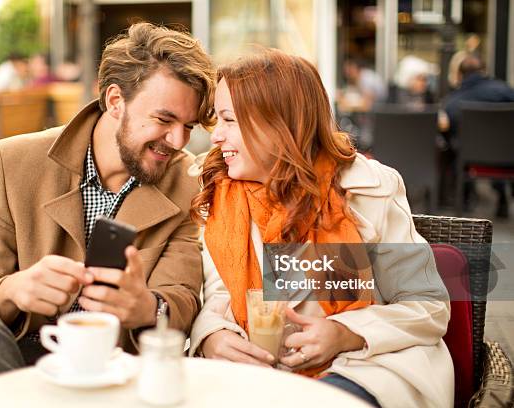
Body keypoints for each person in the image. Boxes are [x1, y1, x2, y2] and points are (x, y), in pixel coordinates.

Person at [0, 22, 215, 390]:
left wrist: (146, 306)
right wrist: (13, 290)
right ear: (115, 101)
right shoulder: (10, 162)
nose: (178, 141)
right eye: (164, 120)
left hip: (99, 375)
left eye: (188, 126)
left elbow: (179, 297)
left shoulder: (186, 185)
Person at [188, 49, 452, 408]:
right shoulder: (223, 193)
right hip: (259, 371)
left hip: (364, 368)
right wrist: (213, 334)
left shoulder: (368, 190)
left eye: (229, 120)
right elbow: (220, 293)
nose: (216, 136)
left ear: (280, 124)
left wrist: (346, 334)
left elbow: (427, 306)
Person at [442, 55, 514, 217]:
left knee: (454, 145)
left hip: (470, 160)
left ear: (460, 75)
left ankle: (465, 199)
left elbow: (447, 128)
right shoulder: (506, 91)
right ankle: (502, 196)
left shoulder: (453, 101)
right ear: (484, 71)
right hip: (509, 157)